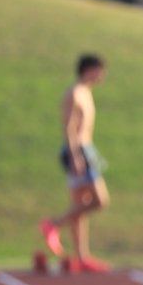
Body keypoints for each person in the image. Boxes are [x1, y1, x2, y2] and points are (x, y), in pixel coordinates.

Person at [40, 54, 111, 272]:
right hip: (78, 150)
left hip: (85, 149)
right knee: (100, 201)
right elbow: (69, 128)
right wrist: (75, 156)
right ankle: (54, 223)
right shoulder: (75, 93)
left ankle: (82, 257)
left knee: (79, 205)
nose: (103, 75)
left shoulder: (86, 92)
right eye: (99, 70)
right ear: (89, 70)